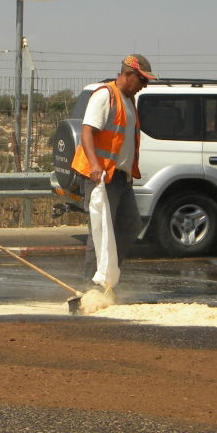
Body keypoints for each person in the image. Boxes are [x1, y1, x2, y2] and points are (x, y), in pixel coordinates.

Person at [70, 53, 156, 288]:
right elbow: (87, 131)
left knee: (130, 226)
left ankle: (108, 276)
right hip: (100, 176)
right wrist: (96, 166)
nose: (144, 86)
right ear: (129, 75)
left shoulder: (129, 100)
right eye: (142, 81)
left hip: (120, 177)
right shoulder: (105, 95)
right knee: (100, 233)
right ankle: (91, 288)